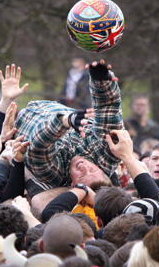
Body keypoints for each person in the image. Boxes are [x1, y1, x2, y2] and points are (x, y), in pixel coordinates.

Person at [14, 60, 123, 195]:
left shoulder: (55, 176)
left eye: (82, 176)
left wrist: (64, 121)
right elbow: (109, 109)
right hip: (49, 106)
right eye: (93, 170)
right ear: (102, 169)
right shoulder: (106, 155)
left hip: (19, 120)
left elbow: (38, 146)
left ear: (73, 186)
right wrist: (101, 81)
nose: (84, 167)